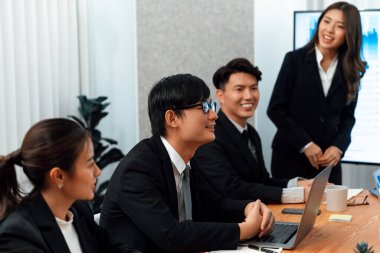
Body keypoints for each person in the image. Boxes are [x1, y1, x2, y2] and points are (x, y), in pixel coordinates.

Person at [100, 74, 275, 253]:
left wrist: (249, 208)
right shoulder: (138, 169)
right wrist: (243, 230)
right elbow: (172, 236)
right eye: (204, 107)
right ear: (172, 118)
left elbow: (214, 205)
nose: (214, 115)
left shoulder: (186, 158)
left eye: (211, 106)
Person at [0, 118, 137, 253]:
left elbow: (114, 249)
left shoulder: (78, 211)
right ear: (58, 176)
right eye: (89, 163)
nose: (97, 171)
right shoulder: (18, 235)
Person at [267, 2, 367, 185]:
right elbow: (275, 109)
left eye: (340, 26)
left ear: (350, 34)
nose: (329, 30)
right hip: (290, 157)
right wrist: (306, 144)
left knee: (332, 212)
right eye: (326, 21)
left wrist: (338, 147)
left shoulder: (351, 70)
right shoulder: (294, 60)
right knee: (289, 213)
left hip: (328, 162)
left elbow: (347, 118)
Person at [194, 58, 312, 204]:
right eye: (239, 89)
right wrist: (295, 195)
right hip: (230, 223)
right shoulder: (210, 136)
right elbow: (231, 188)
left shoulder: (251, 132)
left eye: (254, 88)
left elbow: (262, 181)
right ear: (220, 95)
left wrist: (299, 185)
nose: (249, 96)